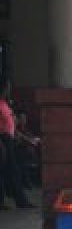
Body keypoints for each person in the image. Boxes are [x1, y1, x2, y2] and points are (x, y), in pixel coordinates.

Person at [0, 80, 33, 208]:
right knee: (12, 171)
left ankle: (19, 200)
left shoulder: (5, 104)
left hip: (9, 139)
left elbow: (11, 125)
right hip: (3, 140)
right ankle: (20, 201)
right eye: (7, 88)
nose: (9, 91)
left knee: (11, 171)